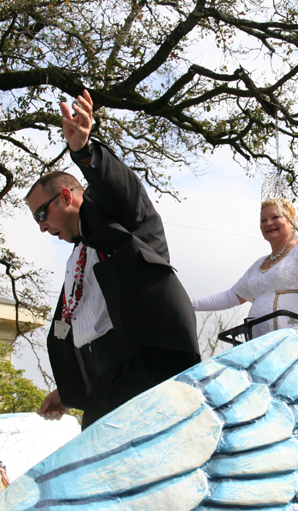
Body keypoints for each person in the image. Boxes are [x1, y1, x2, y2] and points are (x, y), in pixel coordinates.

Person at [28, 89, 200, 429]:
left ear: (66, 196)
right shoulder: (76, 256)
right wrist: (68, 390)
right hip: (106, 383)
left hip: (146, 364)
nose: (42, 227)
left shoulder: (119, 219)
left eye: (41, 214)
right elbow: (86, 327)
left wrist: (84, 151)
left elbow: (120, 188)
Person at [192, 198, 298, 338]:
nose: (269, 223)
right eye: (263, 220)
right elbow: (231, 296)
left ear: (291, 221)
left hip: (297, 339)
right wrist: (191, 304)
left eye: (275, 217)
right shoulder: (258, 264)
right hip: (259, 344)